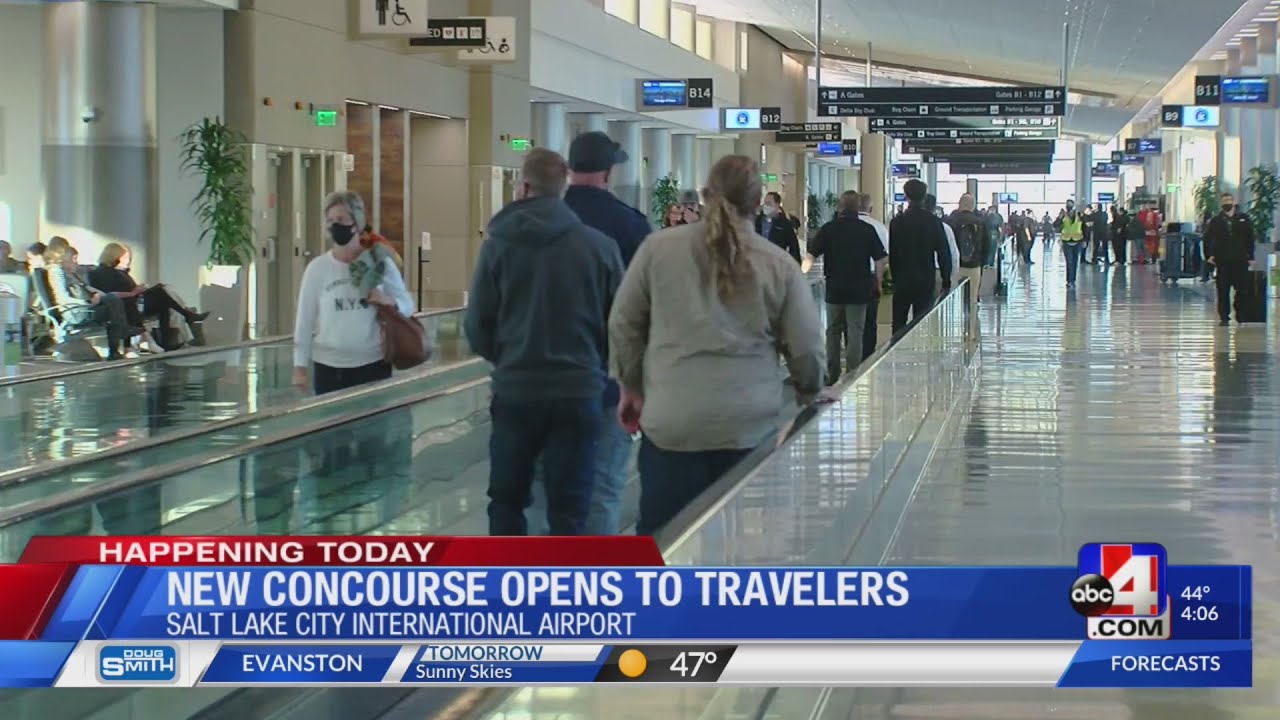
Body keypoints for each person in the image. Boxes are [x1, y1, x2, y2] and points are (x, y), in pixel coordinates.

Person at [609, 155, 824, 536]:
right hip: (748, 424)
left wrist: (631, 387)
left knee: (665, 536)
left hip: (673, 421)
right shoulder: (777, 264)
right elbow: (806, 346)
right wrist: (810, 390)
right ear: (758, 203)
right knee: (739, 541)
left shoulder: (657, 250)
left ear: (706, 196)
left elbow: (624, 324)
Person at [465, 148, 624, 536]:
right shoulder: (599, 247)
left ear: (523, 186)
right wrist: (595, 367)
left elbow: (477, 325)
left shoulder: (497, 245)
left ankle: (509, 587)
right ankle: (566, 589)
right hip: (579, 392)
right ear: (563, 188)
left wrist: (508, 359)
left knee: (506, 500)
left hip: (517, 392)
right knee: (570, 508)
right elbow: (619, 326)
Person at [561, 130, 651, 535]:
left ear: (568, 169)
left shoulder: (541, 220)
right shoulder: (630, 226)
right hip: (607, 380)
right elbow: (648, 307)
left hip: (538, 383)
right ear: (609, 172)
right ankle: (595, 579)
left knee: (545, 490)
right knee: (602, 489)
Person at [293, 190, 415, 394]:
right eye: (330, 220)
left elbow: (408, 305)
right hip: (328, 367)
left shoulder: (380, 261)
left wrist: (386, 300)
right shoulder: (317, 268)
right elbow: (304, 321)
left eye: (341, 219)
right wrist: (299, 368)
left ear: (356, 222)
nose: (335, 225)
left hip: (372, 363)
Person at [808, 191, 887, 383]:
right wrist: (878, 281)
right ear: (859, 207)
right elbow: (880, 259)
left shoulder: (829, 229)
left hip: (835, 287)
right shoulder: (867, 230)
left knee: (833, 330)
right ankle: (853, 374)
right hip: (860, 289)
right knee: (855, 331)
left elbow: (811, 255)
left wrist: (801, 275)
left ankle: (832, 373)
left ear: (840, 207)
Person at [89, 243, 208, 350]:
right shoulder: (102, 272)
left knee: (163, 300)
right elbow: (111, 293)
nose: (127, 261)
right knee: (161, 292)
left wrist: (138, 289)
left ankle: (168, 340)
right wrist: (135, 292)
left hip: (133, 301)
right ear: (114, 256)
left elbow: (128, 288)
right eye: (124, 257)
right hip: (125, 304)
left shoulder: (118, 272)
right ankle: (187, 315)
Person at [42, 243, 132, 360]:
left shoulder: (71, 273)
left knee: (113, 300)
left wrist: (103, 296)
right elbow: (62, 298)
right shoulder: (57, 272)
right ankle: (121, 341)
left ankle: (120, 342)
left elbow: (86, 287)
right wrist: (88, 302)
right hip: (75, 311)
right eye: (73, 258)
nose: (76, 262)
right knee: (113, 307)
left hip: (84, 307)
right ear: (64, 258)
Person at [888, 180, 952, 331]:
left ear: (906, 196)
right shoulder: (933, 222)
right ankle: (919, 352)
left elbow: (893, 253)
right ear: (924, 196)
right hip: (925, 278)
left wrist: (895, 277)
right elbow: (943, 252)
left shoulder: (897, 222)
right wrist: (946, 279)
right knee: (921, 321)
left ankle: (896, 352)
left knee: (898, 322)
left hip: (903, 278)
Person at [1204, 193, 1256, 326]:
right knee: (1223, 290)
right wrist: (1208, 255)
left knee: (1242, 289)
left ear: (1234, 202)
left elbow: (1250, 238)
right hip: (1223, 260)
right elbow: (1207, 238)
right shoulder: (1216, 221)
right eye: (1224, 201)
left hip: (1240, 260)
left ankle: (1241, 314)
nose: (1227, 203)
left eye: (1229, 200)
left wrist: (1251, 256)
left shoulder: (1243, 218)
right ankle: (1224, 317)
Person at [854, 193, 890, 361]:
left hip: (847, 277)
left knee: (851, 322)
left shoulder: (845, 225)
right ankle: (868, 358)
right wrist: (880, 281)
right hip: (870, 278)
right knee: (870, 321)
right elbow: (884, 258)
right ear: (871, 208)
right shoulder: (879, 227)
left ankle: (852, 354)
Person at [947, 194, 989, 314]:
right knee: (972, 298)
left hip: (954, 265)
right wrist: (983, 262)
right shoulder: (980, 222)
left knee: (948, 299)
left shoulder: (950, 221)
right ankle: (970, 327)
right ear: (973, 206)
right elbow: (987, 245)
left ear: (959, 204)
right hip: (974, 265)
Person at [756, 191, 802, 263]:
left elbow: (794, 248)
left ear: (777, 205)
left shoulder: (784, 225)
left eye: (769, 204)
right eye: (765, 203)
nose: (765, 206)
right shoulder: (755, 222)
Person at [1058, 200, 1085, 286]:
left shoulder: (1079, 215)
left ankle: (1073, 280)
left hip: (1078, 241)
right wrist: (1059, 217)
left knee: (1075, 261)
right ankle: (1070, 281)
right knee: (1069, 262)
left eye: (1070, 205)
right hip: (1066, 241)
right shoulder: (1063, 216)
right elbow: (1055, 225)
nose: (1068, 207)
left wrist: (1085, 240)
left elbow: (1084, 227)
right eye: (1067, 205)